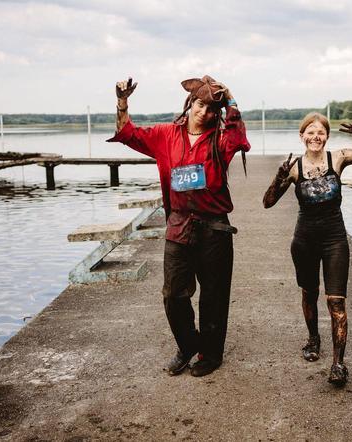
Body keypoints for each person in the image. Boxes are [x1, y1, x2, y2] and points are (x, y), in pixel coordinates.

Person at [108, 75, 250, 377]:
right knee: (173, 294)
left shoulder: (221, 139)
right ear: (190, 104)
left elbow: (238, 136)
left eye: (213, 109)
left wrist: (232, 100)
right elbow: (128, 133)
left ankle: (211, 354)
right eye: (200, 105)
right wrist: (122, 102)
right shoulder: (165, 135)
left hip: (215, 229)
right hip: (179, 226)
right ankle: (187, 346)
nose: (205, 113)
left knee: (213, 296)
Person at [262, 112, 352, 386]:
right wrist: (278, 176)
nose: (315, 137)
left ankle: (338, 364)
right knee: (309, 293)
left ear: (326, 137)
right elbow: (268, 202)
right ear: (302, 136)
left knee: (336, 302)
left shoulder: (338, 158)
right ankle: (313, 339)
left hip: (334, 240)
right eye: (310, 132)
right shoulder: (294, 167)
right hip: (304, 241)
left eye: (320, 133)